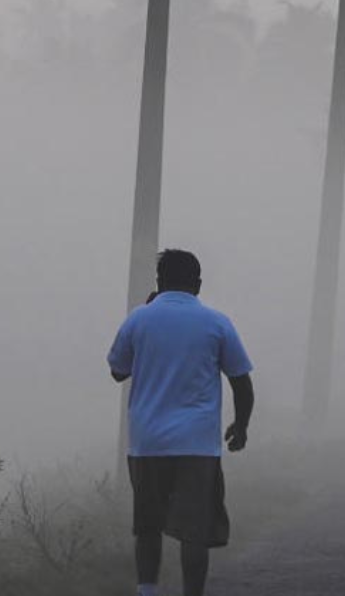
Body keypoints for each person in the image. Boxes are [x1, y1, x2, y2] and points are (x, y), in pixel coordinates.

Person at [108, 249, 255, 596]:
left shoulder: (138, 319)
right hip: (197, 443)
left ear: (159, 282)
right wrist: (241, 426)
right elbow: (241, 382)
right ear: (198, 284)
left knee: (148, 526)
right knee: (195, 531)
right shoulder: (216, 323)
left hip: (148, 442)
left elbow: (118, 371)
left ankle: (147, 591)